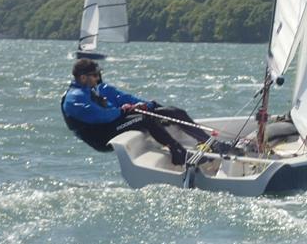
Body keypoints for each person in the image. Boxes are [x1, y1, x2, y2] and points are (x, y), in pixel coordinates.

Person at [61, 59, 226, 165]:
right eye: (95, 75)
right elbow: (99, 116)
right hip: (102, 136)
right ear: (83, 78)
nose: (98, 78)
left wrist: (147, 105)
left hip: (113, 122)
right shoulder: (74, 99)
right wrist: (122, 111)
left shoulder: (97, 89)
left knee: (173, 111)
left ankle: (210, 143)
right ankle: (178, 153)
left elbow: (123, 98)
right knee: (144, 119)